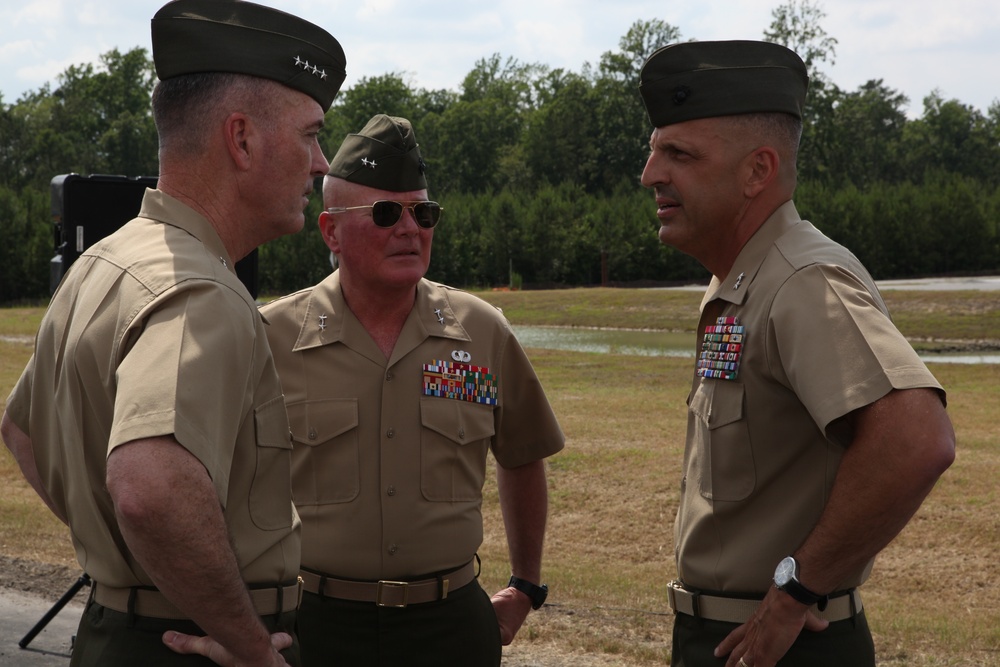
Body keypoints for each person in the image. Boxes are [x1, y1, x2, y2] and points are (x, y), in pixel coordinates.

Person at [0, 1, 346, 665]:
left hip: (121, 631)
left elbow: (22, 431)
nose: (322, 163)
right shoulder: (202, 291)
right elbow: (151, 489)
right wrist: (250, 646)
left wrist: (132, 561)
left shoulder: (106, 261)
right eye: (310, 135)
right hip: (195, 644)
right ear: (241, 139)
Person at [637, 41, 956, 667]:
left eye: (678, 154)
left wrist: (794, 592)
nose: (650, 174)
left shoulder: (800, 280)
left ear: (758, 170)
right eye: (653, 151)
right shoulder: (743, 280)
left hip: (786, 645)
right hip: (732, 637)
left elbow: (917, 439)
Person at [258, 114, 565, 666]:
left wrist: (525, 586)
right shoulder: (272, 337)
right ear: (331, 231)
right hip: (315, 626)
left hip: (450, 627)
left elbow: (523, 455)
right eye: (384, 213)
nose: (410, 228)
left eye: (423, 212)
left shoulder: (481, 331)